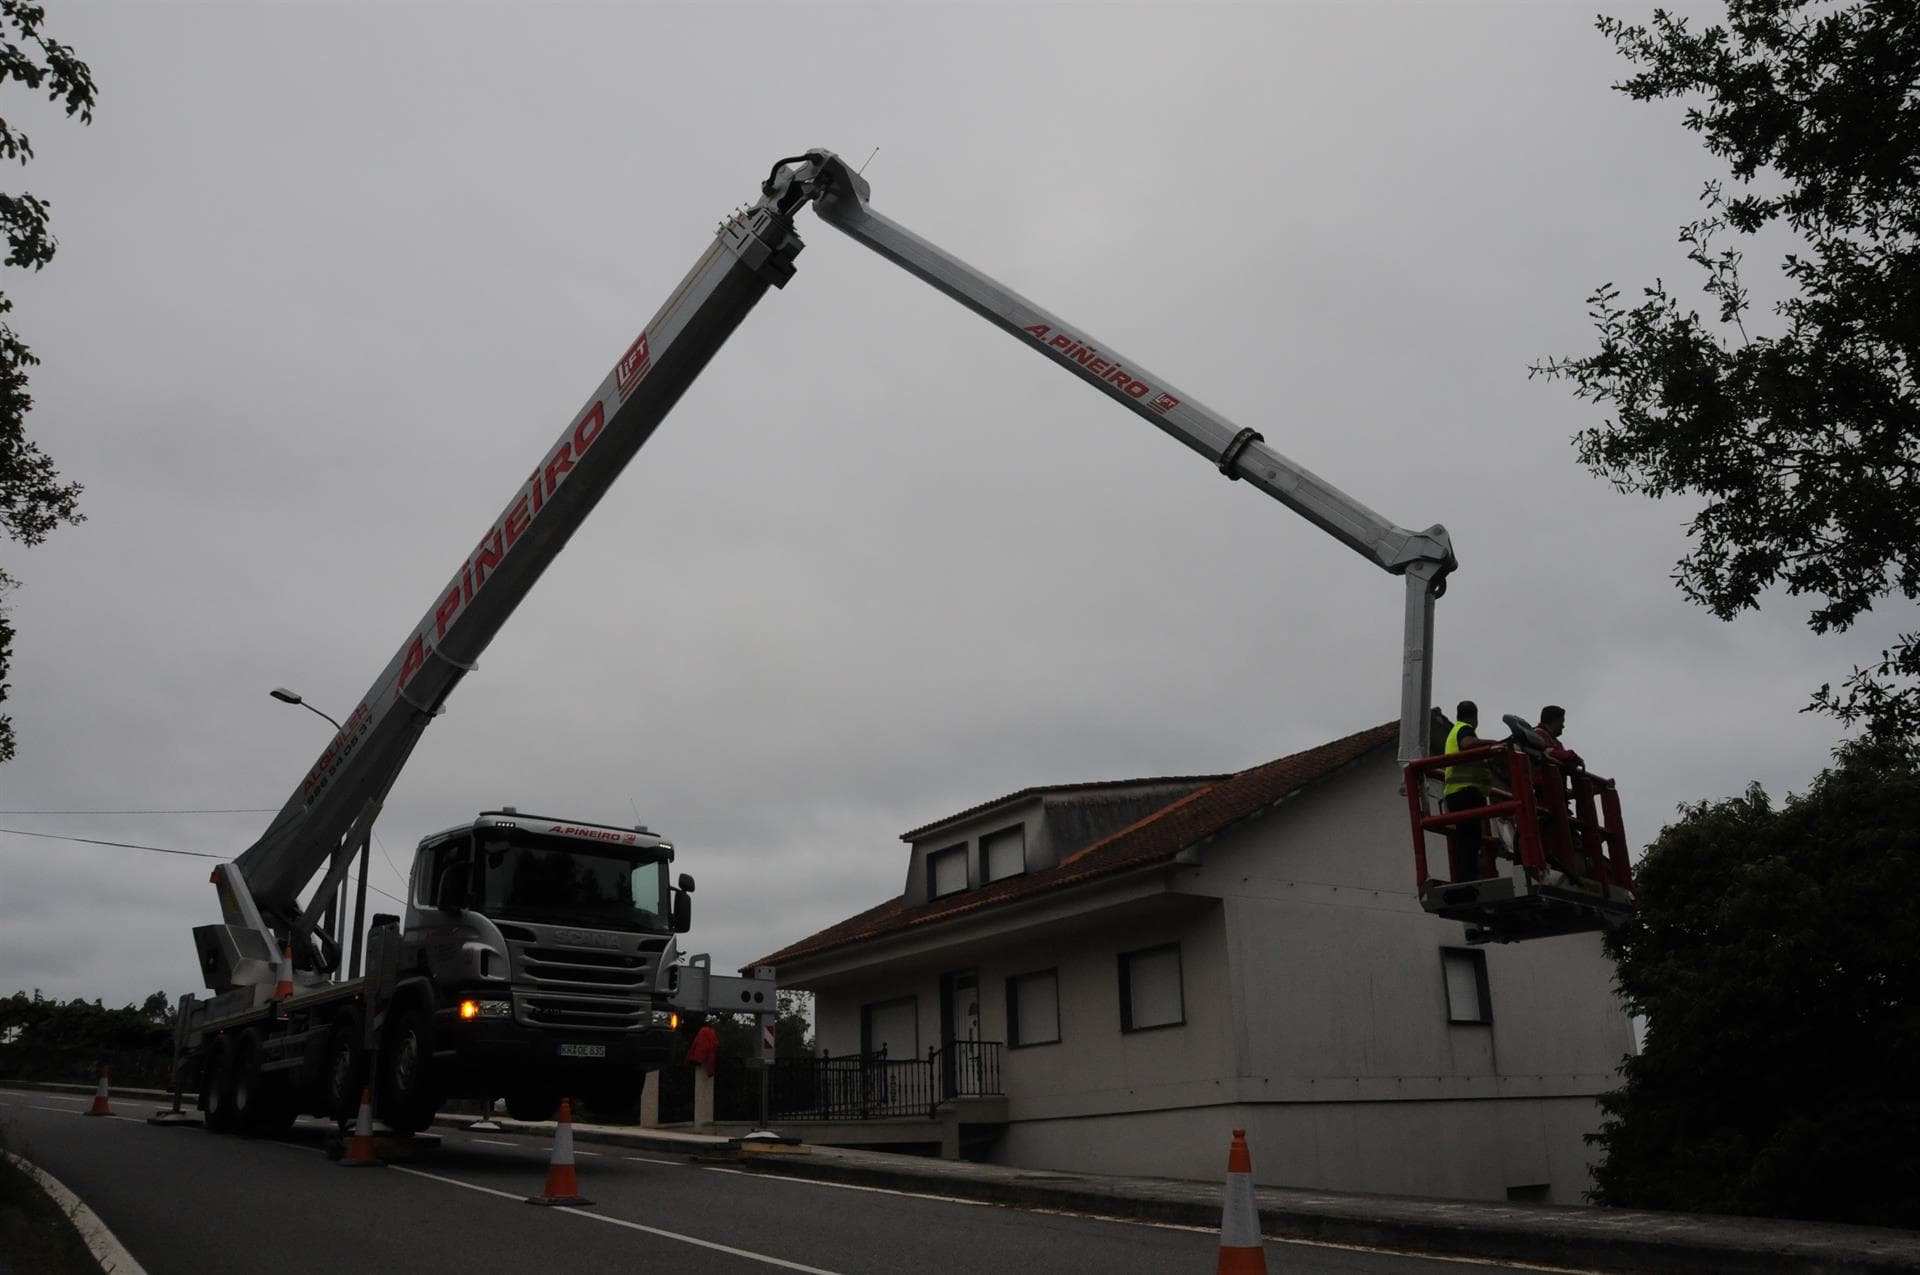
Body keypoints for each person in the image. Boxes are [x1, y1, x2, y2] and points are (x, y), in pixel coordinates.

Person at [1442, 699, 1495, 881]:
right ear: (1475, 716)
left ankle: (1466, 876)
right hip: (1465, 793)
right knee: (1470, 839)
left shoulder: (1454, 730)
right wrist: (1493, 745)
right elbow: (1467, 743)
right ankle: (1469, 876)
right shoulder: (1465, 729)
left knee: (1466, 838)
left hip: (1457, 793)